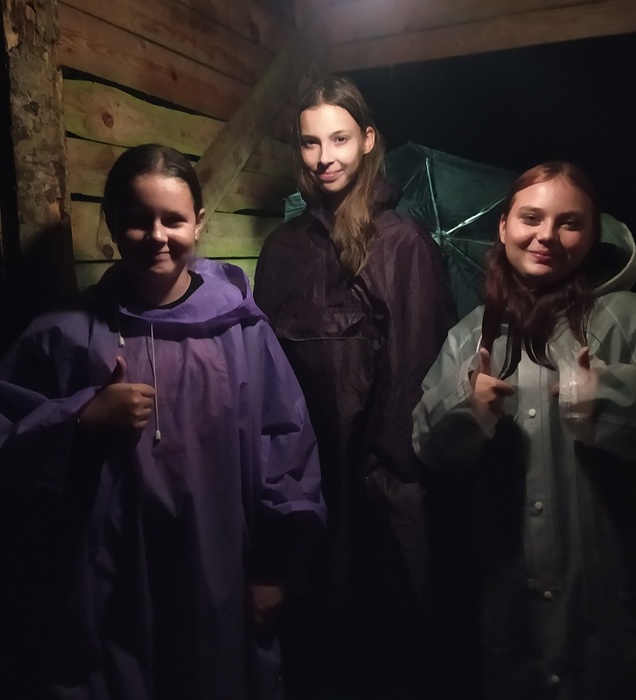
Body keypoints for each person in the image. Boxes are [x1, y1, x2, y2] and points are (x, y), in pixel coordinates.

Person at [0, 144, 325, 700]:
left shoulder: (240, 332)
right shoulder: (67, 334)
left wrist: (271, 566)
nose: (157, 236)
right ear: (111, 223)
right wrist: (80, 417)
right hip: (110, 578)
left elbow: (285, 444)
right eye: (138, 220)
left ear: (198, 222)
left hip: (215, 571)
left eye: (173, 219)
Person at [413, 160, 636, 699]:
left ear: (592, 236)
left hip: (624, 621)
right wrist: (463, 406)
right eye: (531, 218)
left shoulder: (635, 321)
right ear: (504, 227)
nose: (547, 235)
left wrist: (627, 399)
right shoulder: (471, 336)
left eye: (569, 222)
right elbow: (426, 446)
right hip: (512, 620)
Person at [253, 75, 456, 697]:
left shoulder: (403, 245)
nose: (325, 158)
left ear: (368, 140)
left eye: (339, 139)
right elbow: (265, 375)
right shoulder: (282, 249)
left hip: (381, 491)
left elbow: (414, 382)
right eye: (311, 142)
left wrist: (387, 495)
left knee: (388, 649)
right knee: (313, 654)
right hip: (302, 485)